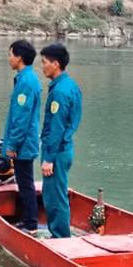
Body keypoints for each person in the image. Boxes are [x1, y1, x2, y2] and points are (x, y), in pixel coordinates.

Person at [39, 43, 82, 239]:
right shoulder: (71, 85)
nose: (42, 66)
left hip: (56, 152)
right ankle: (60, 234)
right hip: (65, 149)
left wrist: (49, 158)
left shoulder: (59, 92)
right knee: (58, 193)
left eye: (44, 62)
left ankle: (61, 238)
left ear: (55, 64)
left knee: (54, 197)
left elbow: (56, 127)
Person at [1, 40, 41, 232]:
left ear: (19, 57)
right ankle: (27, 220)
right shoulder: (27, 79)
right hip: (25, 142)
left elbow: (21, 118)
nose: (8, 59)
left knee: (25, 184)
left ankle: (31, 223)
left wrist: (13, 145)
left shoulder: (26, 82)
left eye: (10, 55)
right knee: (25, 182)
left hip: (23, 145)